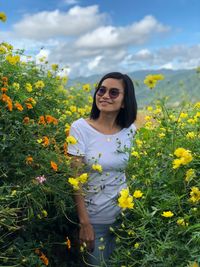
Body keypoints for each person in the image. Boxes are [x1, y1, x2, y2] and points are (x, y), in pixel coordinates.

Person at [67, 72, 137, 266]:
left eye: (114, 92)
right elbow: (75, 179)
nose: (105, 95)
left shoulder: (130, 131)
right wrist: (85, 223)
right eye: (102, 90)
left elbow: (128, 172)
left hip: (125, 220)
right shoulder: (80, 128)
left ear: (124, 101)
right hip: (94, 221)